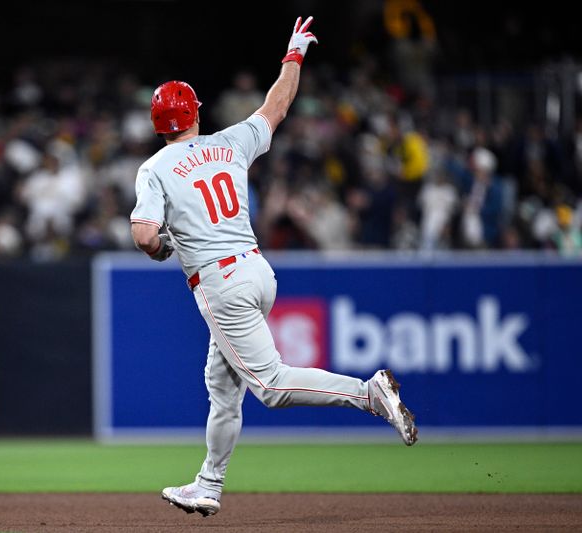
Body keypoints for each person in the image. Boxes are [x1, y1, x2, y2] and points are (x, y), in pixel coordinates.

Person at [130, 16, 418, 518]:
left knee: (271, 387)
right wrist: (294, 54)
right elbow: (278, 105)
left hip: (220, 282)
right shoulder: (228, 142)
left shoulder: (154, 168)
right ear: (195, 114)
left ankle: (368, 394)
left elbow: (144, 235)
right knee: (222, 386)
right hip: (258, 270)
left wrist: (161, 248)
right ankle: (208, 484)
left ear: (159, 127)